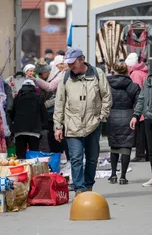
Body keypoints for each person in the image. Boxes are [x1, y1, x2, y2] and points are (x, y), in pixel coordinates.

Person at [54, 48, 112, 196]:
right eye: (68, 63)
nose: (70, 66)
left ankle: (88, 186)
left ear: (82, 59)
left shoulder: (97, 74)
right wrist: (58, 126)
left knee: (92, 158)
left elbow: (106, 96)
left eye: (73, 63)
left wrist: (102, 117)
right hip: (72, 123)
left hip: (93, 123)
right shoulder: (65, 76)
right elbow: (59, 102)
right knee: (76, 158)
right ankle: (79, 189)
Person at [130, 55, 152, 187]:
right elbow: (141, 98)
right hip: (149, 118)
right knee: (151, 150)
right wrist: (136, 115)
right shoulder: (148, 80)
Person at [107, 62, 140, 184]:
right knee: (126, 147)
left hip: (112, 116)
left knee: (114, 145)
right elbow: (138, 103)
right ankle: (123, 176)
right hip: (128, 116)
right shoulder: (133, 86)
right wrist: (136, 116)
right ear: (127, 70)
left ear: (114, 70)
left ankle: (113, 174)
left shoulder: (108, 85)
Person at [33, 56, 70, 160]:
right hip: (49, 114)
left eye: (41, 73)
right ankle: (57, 158)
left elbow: (59, 95)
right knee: (52, 137)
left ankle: (63, 157)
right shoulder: (48, 79)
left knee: (60, 137)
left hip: (57, 113)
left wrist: (48, 103)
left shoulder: (59, 77)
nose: (40, 76)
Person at [10, 80, 48, 159]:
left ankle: (21, 170)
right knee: (33, 155)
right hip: (34, 130)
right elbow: (43, 114)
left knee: (20, 155)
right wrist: (43, 125)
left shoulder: (17, 98)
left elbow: (11, 113)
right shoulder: (38, 97)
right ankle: (32, 170)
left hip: (19, 130)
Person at [125, 52, 149, 162]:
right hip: (148, 106)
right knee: (147, 133)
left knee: (140, 133)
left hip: (140, 108)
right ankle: (148, 154)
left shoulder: (135, 74)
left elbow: (135, 91)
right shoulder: (144, 72)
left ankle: (140, 155)